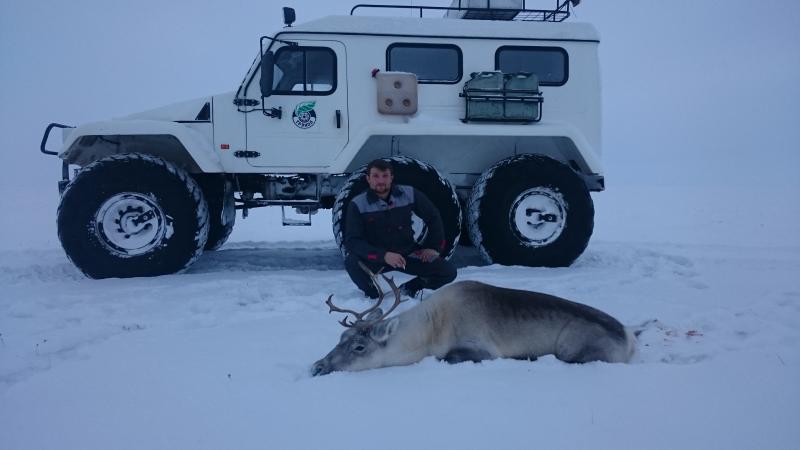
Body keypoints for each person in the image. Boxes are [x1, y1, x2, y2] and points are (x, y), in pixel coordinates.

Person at [344, 159, 457, 299]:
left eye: (385, 176)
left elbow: (433, 216)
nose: (381, 180)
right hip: (377, 258)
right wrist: (383, 255)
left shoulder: (409, 193)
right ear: (368, 179)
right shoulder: (357, 204)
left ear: (391, 177)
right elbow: (353, 241)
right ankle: (374, 295)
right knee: (352, 262)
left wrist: (433, 247)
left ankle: (409, 289)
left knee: (448, 271)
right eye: (376, 176)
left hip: (407, 254)